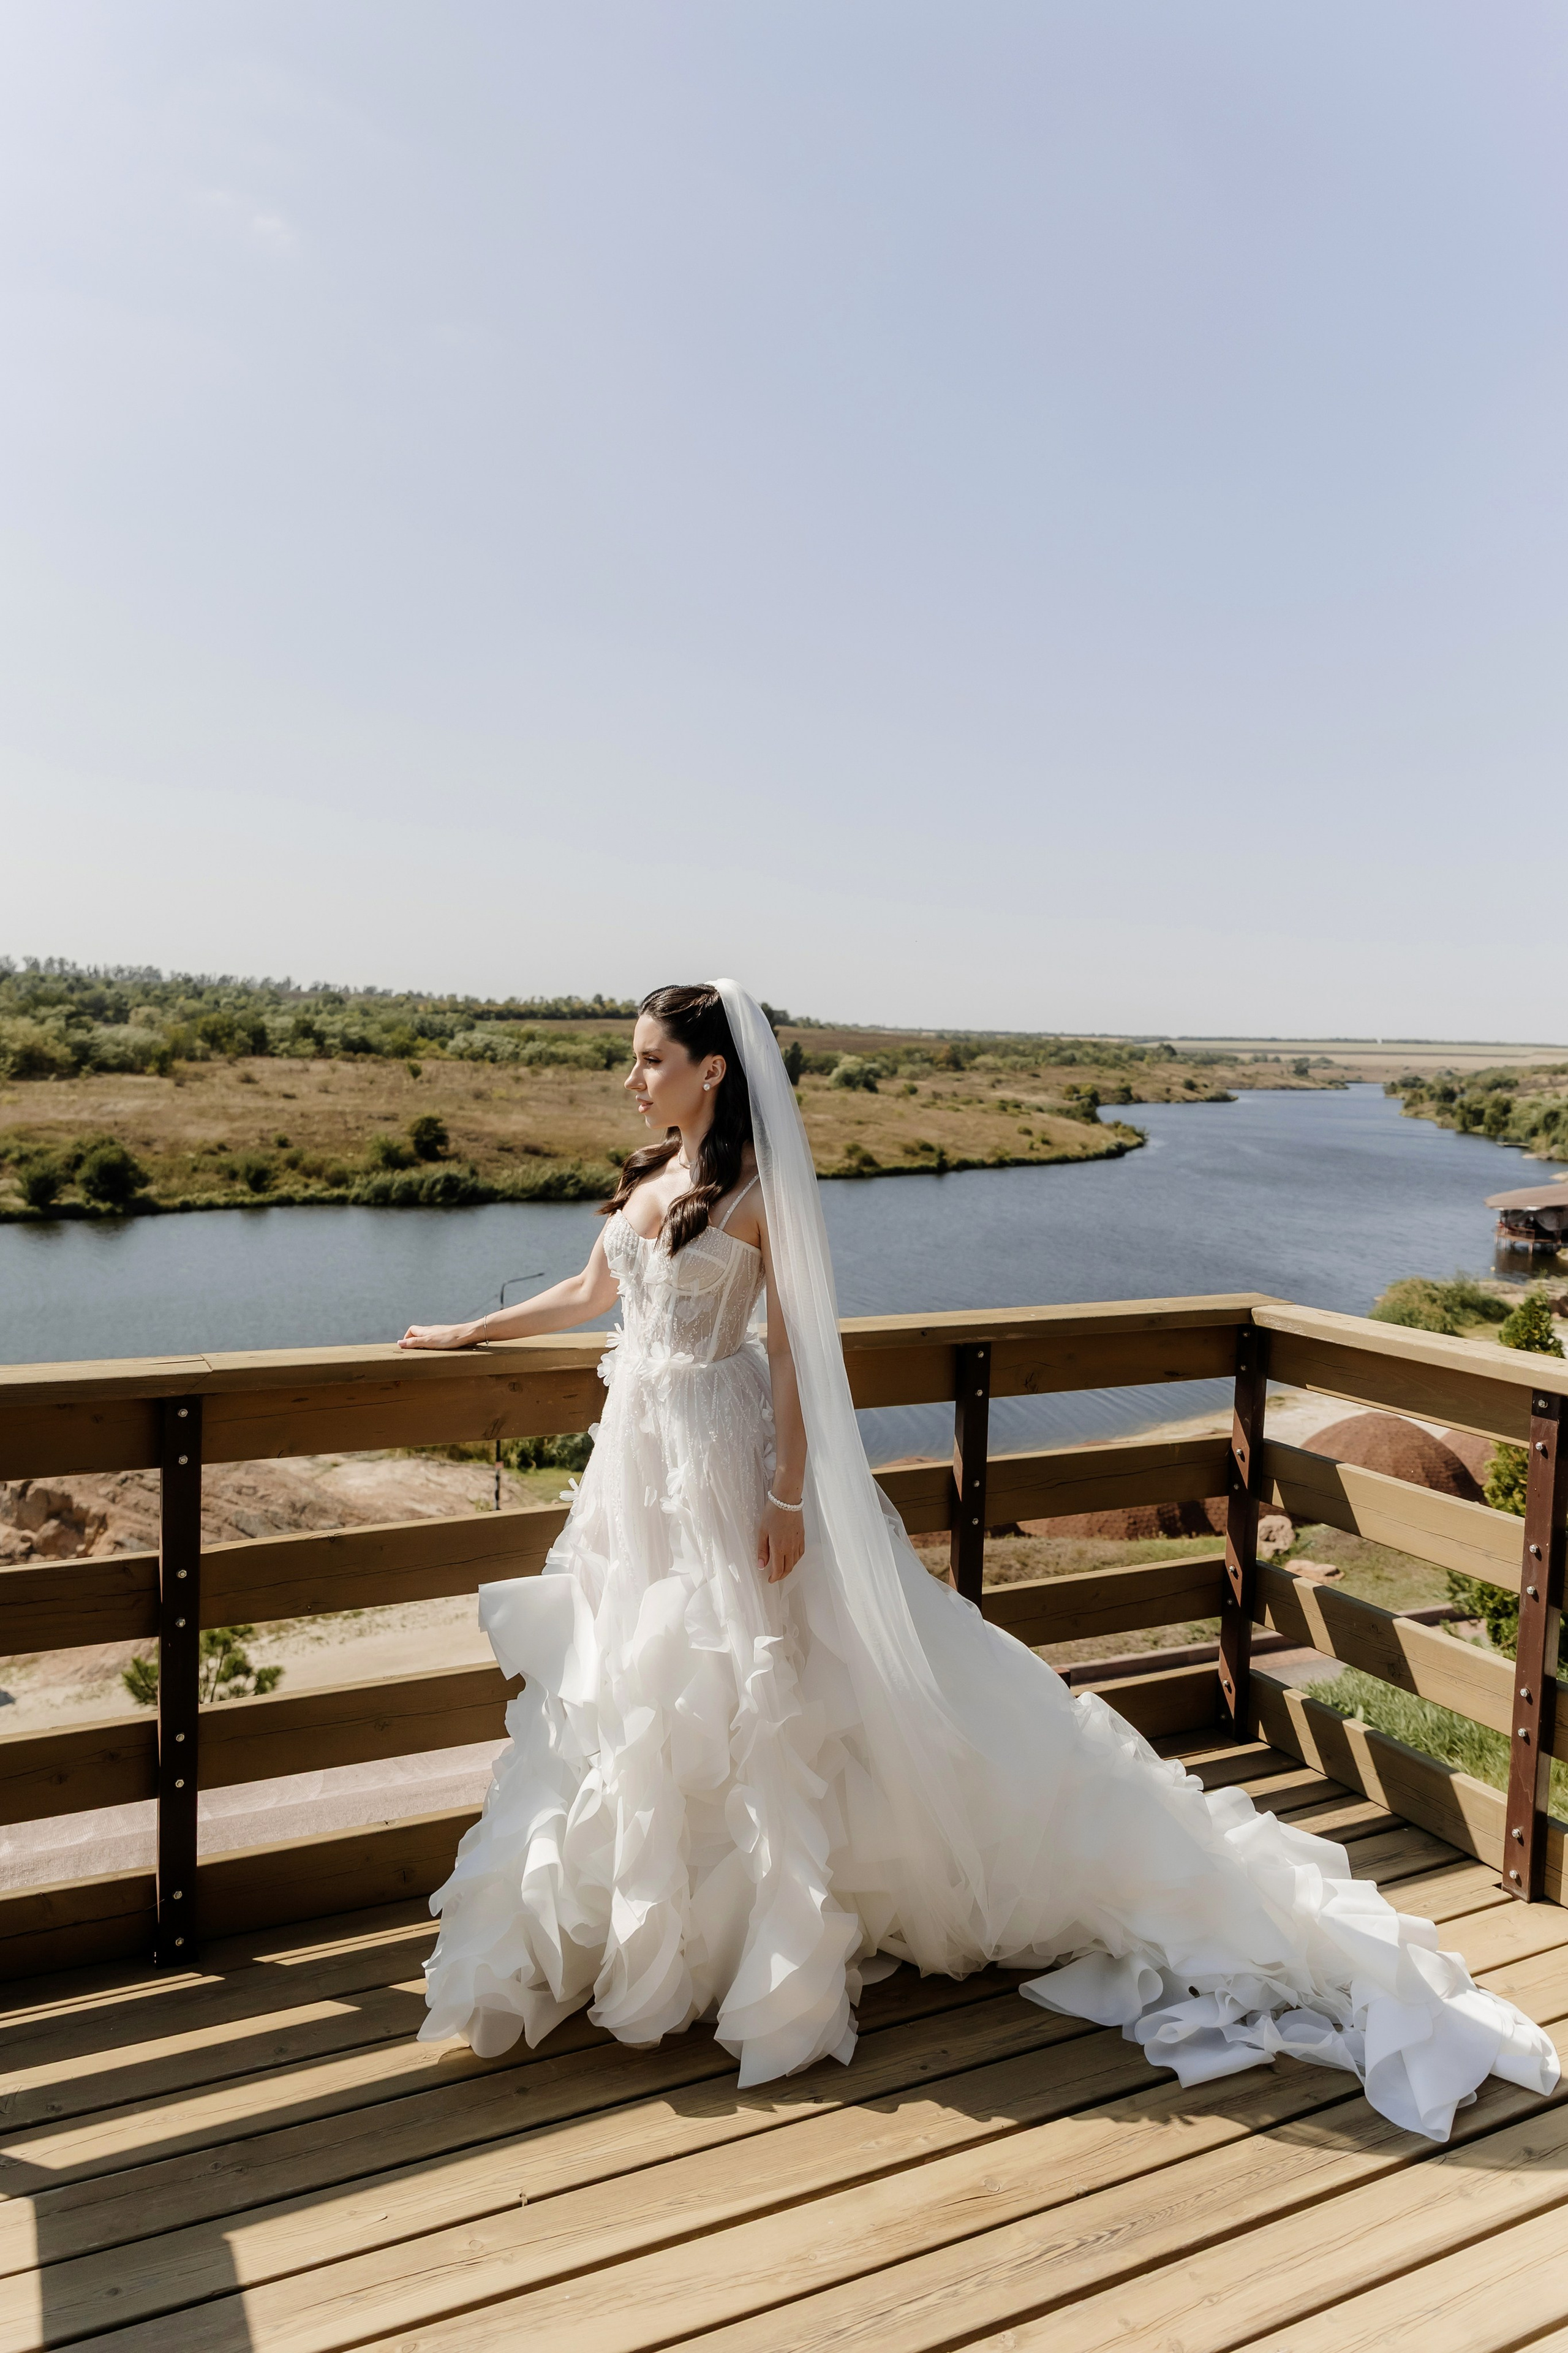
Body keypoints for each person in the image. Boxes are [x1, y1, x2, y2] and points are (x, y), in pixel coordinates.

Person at [401, 981, 1557, 2138]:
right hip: (635, 1468)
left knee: (756, 1686)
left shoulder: (758, 1195)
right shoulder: (650, 1177)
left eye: (650, 1058)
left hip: (720, 1457)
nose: (632, 1077)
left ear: (712, 1069)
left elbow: (800, 1358)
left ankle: (767, 1938)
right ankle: (660, 1931)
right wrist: (466, 1331)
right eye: (633, 1058)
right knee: (637, 1685)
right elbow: (591, 1294)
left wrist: (789, 1493)